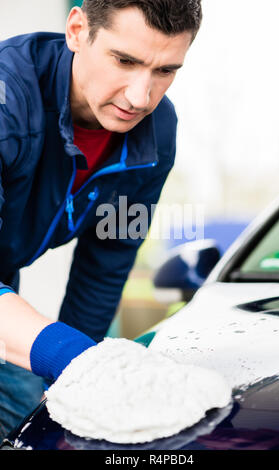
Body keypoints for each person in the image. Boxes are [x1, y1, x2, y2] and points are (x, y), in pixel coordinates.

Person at [0, 0, 202, 440]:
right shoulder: (6, 103)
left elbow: (106, 262)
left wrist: (72, 379)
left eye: (165, 70)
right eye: (124, 60)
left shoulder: (155, 133)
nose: (139, 97)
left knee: (40, 427)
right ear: (77, 30)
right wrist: (77, 359)